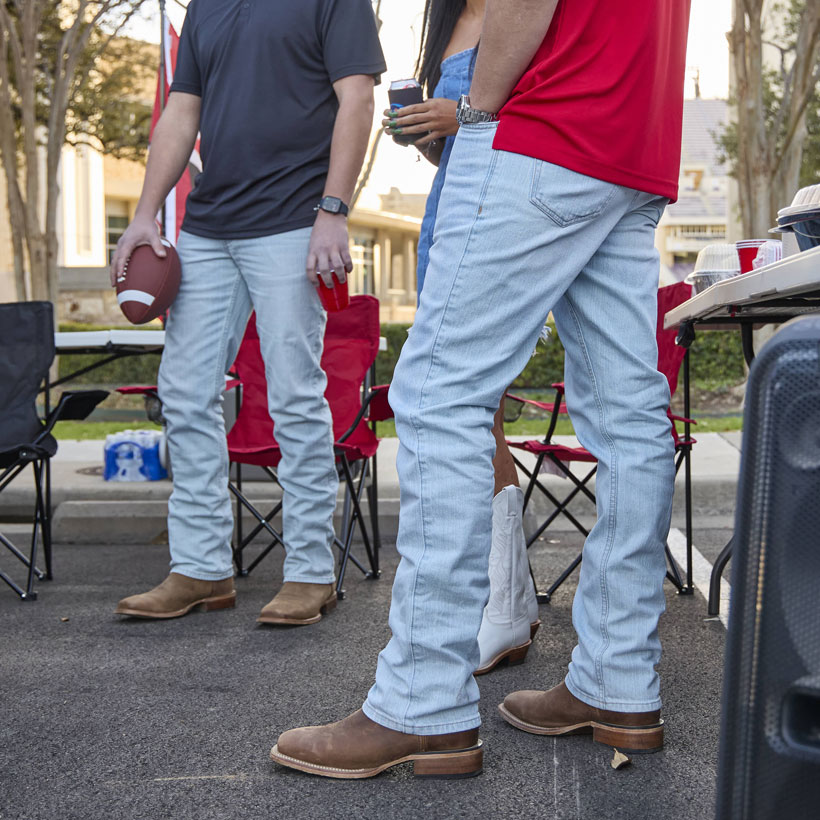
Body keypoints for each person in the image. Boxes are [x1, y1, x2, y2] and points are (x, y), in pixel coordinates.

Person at [270, 0, 691, 778]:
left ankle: (421, 702)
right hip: (633, 141)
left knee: (438, 397)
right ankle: (618, 681)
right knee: (631, 423)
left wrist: (476, 108)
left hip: (543, 128)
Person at [110, 0, 386, 626]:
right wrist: (145, 214)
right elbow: (182, 112)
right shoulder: (208, 6)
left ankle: (311, 572)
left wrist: (334, 210)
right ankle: (201, 567)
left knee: (293, 395)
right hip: (209, 226)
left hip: (294, 221)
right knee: (184, 393)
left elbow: (357, 100)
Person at [382, 0, 539, 676]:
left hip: (507, 214)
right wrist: (427, 130)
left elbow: (542, 114)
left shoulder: (527, 8)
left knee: (473, 410)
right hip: (449, 211)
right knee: (476, 415)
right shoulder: (445, 20)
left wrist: (464, 115)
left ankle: (499, 604)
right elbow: (456, 145)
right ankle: (508, 597)